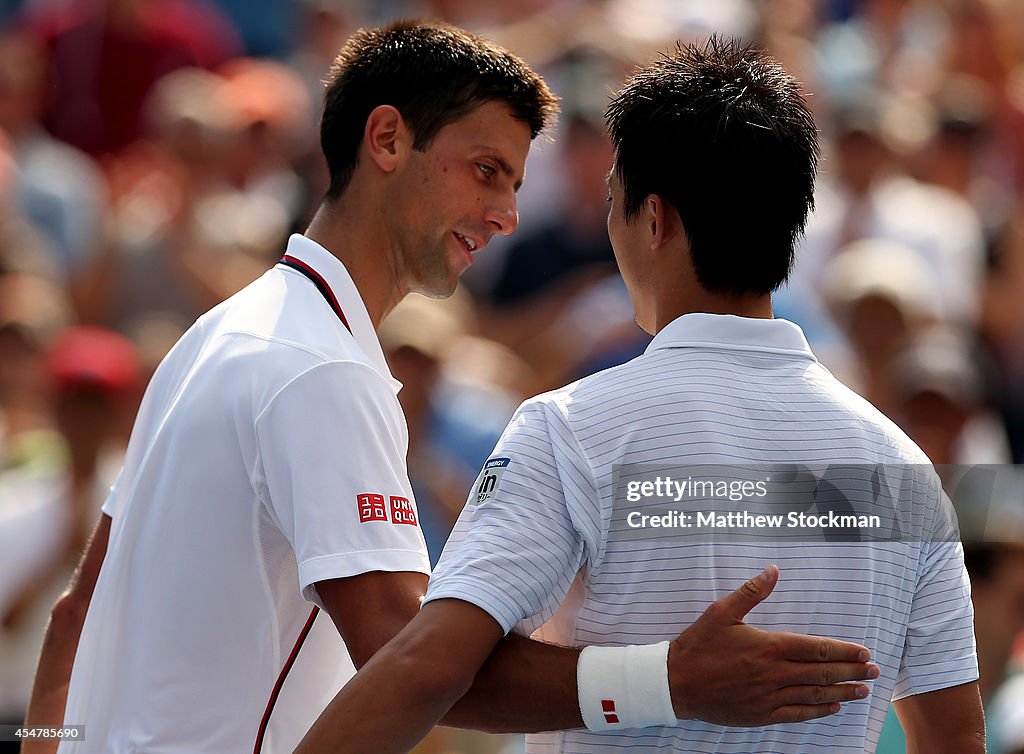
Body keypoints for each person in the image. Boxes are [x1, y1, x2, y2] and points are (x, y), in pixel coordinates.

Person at [26, 23, 876, 754]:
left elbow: (75, 616)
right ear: (387, 140)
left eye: (513, 181)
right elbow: (418, 662)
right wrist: (669, 681)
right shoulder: (320, 369)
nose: (506, 212)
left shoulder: (215, 333)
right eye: (485, 170)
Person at [296, 37, 984, 754]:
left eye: (614, 203)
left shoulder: (570, 428)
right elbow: (956, 742)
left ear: (653, 220)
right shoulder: (901, 472)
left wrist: (660, 684)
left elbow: (429, 668)